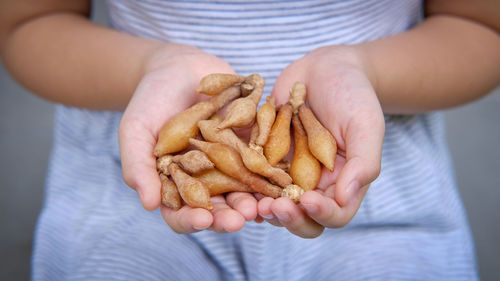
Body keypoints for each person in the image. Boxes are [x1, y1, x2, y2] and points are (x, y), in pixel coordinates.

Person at [1, 0, 499, 280]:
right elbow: (26, 25)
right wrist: (146, 67)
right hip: (126, 192)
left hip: (374, 191)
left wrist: (361, 70)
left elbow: (483, 29)